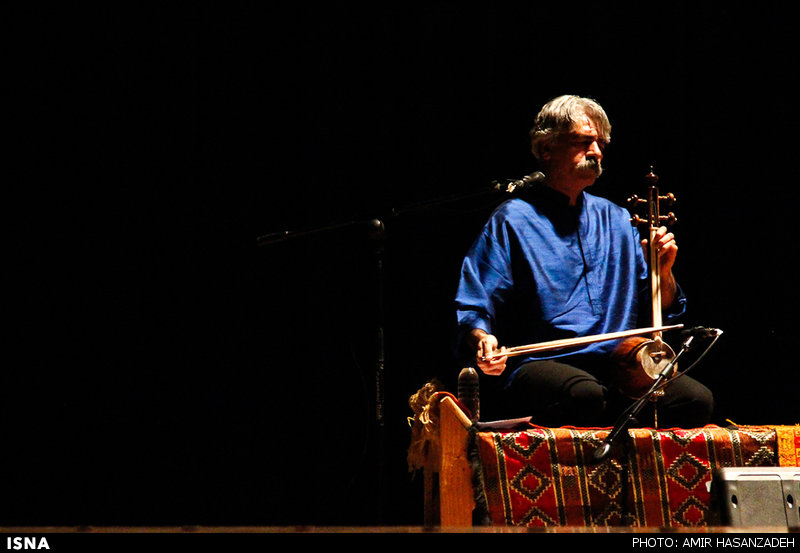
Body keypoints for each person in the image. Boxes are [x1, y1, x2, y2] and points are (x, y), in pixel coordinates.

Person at [454, 94, 713, 429]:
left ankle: (617, 438)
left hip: (619, 367)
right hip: (544, 364)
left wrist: (664, 272)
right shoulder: (513, 220)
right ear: (546, 149)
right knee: (584, 396)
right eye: (582, 142)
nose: (596, 152)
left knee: (694, 400)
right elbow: (476, 302)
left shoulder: (618, 219)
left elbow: (661, 311)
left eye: (600, 143)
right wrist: (482, 339)